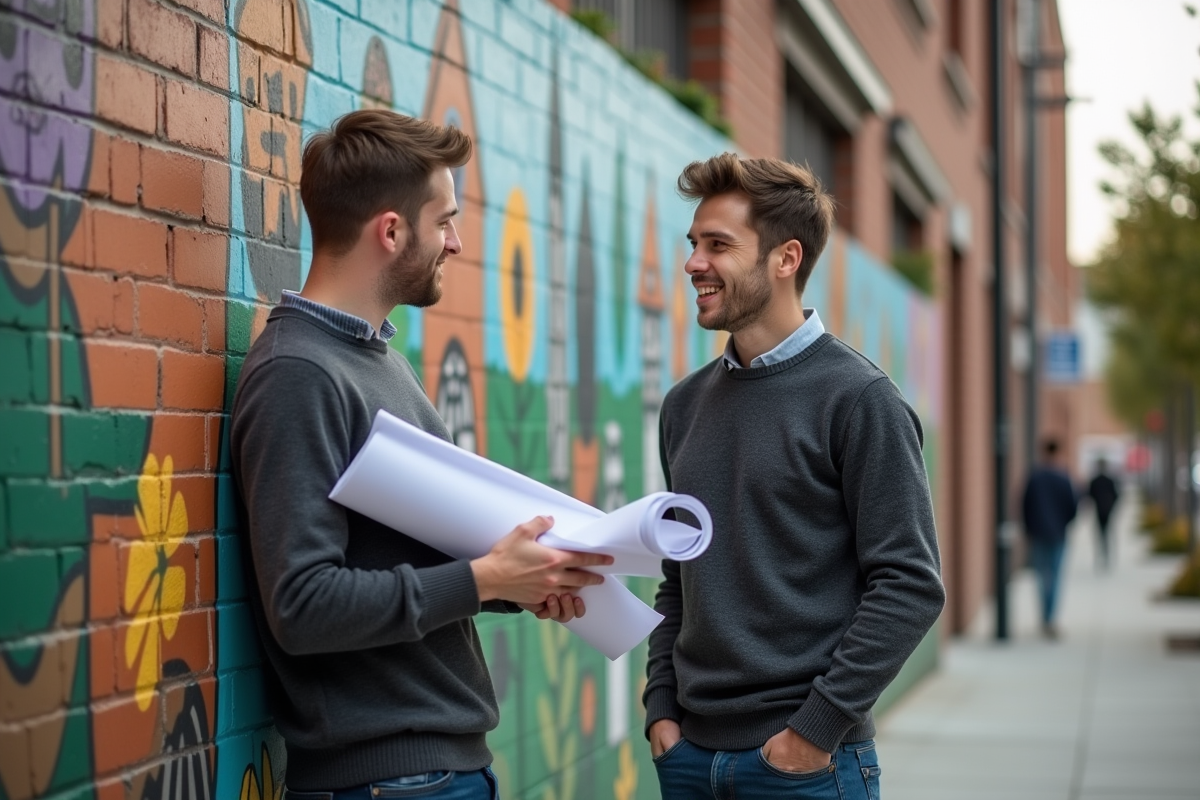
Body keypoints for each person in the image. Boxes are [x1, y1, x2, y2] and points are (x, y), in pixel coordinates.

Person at [230, 110, 612, 800]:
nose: (457, 242)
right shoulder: (299, 374)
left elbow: (402, 557)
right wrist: (484, 580)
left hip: (433, 771)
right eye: (445, 222)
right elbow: (303, 604)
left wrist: (520, 583)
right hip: (389, 780)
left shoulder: (376, 360)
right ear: (391, 231)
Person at [643, 153, 945, 800]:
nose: (693, 262)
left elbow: (910, 585)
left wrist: (815, 730)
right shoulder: (683, 406)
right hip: (691, 759)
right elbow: (680, 573)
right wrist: (661, 708)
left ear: (785, 259)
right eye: (693, 244)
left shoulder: (860, 400)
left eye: (717, 245)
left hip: (804, 767)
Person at [1021, 438, 1079, 639]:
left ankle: (1044, 616)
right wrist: (1063, 524)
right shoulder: (1064, 478)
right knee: (1055, 576)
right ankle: (1050, 619)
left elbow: (1024, 505)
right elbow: (1073, 507)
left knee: (1040, 576)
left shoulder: (1034, 477)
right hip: (1058, 534)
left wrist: (1028, 529)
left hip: (1037, 534)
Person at [1086, 458, 1120, 570]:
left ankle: (1102, 557)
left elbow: (1089, 496)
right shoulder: (1109, 480)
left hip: (1100, 510)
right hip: (1107, 510)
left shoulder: (1095, 480)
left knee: (1100, 535)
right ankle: (1106, 556)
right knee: (1106, 534)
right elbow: (1116, 496)